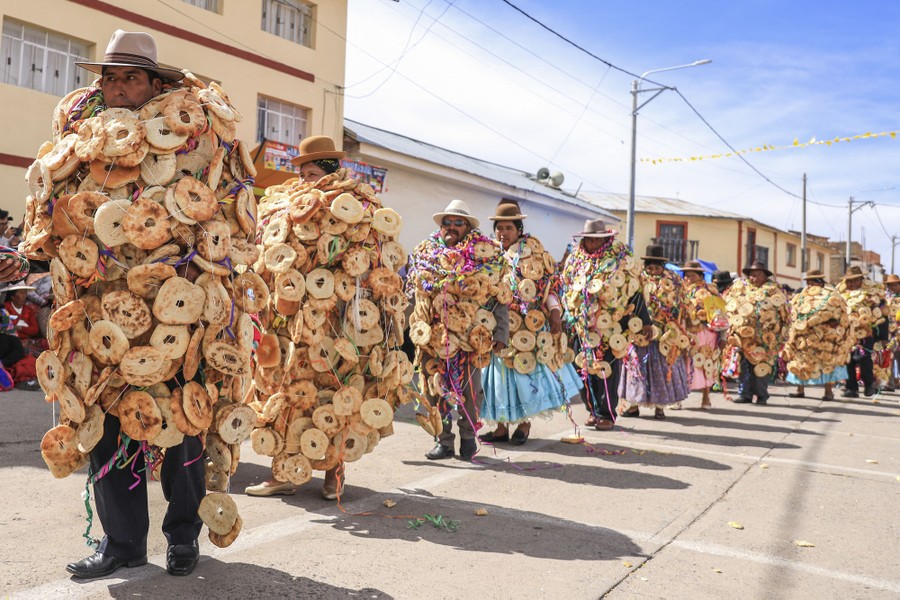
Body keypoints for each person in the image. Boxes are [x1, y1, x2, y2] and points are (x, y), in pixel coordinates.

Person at [50, 30, 212, 580]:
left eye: (130, 76)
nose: (118, 86)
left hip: (175, 310)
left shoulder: (192, 142)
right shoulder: (78, 143)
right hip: (98, 310)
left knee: (180, 422)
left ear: (154, 84)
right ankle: (122, 543)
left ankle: (184, 537)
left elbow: (217, 219)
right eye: (110, 76)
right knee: (106, 426)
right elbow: (56, 217)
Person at [245, 134, 347, 500]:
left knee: (327, 392)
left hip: (326, 317)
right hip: (281, 315)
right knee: (279, 390)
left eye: (314, 171)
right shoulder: (282, 205)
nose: (307, 179)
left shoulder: (348, 208)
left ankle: (334, 473)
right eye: (303, 172)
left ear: (333, 172)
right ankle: (282, 473)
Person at [407, 199, 509, 460]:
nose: (451, 227)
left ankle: (467, 438)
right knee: (433, 388)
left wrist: (500, 334)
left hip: (470, 338)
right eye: (447, 223)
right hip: (433, 335)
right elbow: (416, 295)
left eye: (457, 223)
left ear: (467, 227)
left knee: (470, 390)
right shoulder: (425, 254)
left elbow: (498, 296)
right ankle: (443, 440)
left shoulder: (486, 256)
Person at [479, 202, 581, 444]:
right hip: (498, 325)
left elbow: (550, 286)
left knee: (525, 376)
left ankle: (524, 425)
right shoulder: (488, 254)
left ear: (519, 229)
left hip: (528, 326)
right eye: (499, 228)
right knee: (498, 378)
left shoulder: (534, 254)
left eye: (508, 228)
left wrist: (555, 312)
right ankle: (501, 427)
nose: (502, 233)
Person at [560, 219, 650, 431]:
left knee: (607, 370)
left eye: (596, 240)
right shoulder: (574, 261)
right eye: (589, 239)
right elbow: (565, 289)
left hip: (611, 326)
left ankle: (607, 413)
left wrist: (644, 321)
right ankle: (592, 410)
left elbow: (635, 293)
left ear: (606, 239)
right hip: (581, 325)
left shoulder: (621, 261)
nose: (592, 243)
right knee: (582, 368)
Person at [618, 245, 690, 420]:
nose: (653, 271)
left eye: (657, 267)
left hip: (663, 335)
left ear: (663, 267)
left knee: (661, 367)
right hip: (639, 332)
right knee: (636, 367)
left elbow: (680, 306)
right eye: (649, 267)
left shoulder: (674, 283)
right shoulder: (637, 281)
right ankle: (634, 405)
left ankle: (660, 407)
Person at [726, 260, 789, 405]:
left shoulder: (775, 291)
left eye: (757, 275)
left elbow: (783, 315)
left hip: (765, 338)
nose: (753, 278)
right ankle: (745, 394)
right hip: (743, 336)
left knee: (762, 366)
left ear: (765, 276)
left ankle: (761, 395)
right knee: (744, 365)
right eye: (751, 275)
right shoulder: (739, 289)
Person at [784, 270, 851, 401]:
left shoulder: (832, 295)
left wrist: (833, 322)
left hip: (825, 335)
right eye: (808, 282)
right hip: (805, 335)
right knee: (801, 361)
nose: (810, 285)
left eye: (813, 282)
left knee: (827, 362)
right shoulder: (802, 296)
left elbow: (840, 313)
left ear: (820, 282)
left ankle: (828, 392)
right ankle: (800, 389)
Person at [680, 261, 726, 409]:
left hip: (705, 332)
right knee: (681, 363)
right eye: (686, 276)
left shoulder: (710, 291)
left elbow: (720, 314)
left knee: (705, 362)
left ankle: (706, 397)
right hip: (684, 331)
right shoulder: (680, 290)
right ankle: (678, 398)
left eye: (692, 275)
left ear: (700, 276)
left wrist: (723, 337)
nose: (688, 279)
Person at [837, 266, 889, 398]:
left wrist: (882, 336)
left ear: (861, 279)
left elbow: (883, 315)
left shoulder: (873, 294)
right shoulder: (840, 295)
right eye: (849, 281)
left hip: (867, 333)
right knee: (847, 360)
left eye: (855, 280)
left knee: (864, 358)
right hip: (847, 333)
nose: (852, 283)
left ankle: (869, 383)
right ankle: (851, 388)